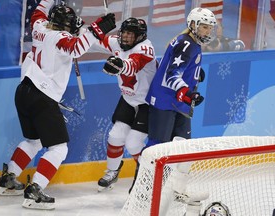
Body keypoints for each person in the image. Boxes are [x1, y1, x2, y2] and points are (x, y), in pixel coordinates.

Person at [0, 0, 116, 210]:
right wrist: (97, 27)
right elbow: (76, 48)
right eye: (71, 25)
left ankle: (8, 179)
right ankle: (35, 192)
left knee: (33, 141)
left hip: (24, 91)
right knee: (59, 149)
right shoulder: (60, 37)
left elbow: (40, 10)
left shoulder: (39, 26)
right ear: (64, 26)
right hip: (42, 96)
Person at [144, 7, 217, 215]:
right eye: (204, 27)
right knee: (157, 149)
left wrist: (193, 73)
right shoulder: (187, 43)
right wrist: (187, 91)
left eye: (209, 27)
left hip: (179, 103)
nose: (207, 31)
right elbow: (170, 75)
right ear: (193, 25)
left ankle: (177, 189)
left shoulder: (191, 42)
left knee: (184, 148)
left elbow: (178, 67)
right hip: (166, 102)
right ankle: (144, 191)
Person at [88, 17, 157, 191]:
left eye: (130, 34)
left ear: (140, 36)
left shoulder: (145, 48)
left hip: (146, 103)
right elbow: (93, 41)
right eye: (124, 32)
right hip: (127, 99)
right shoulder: (117, 43)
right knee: (115, 136)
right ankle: (112, 171)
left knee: (133, 143)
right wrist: (79, 32)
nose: (125, 37)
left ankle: (149, 175)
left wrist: (120, 65)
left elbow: (133, 64)